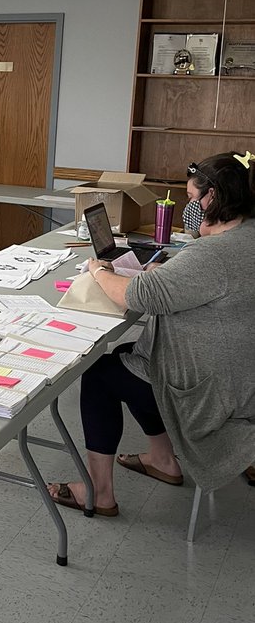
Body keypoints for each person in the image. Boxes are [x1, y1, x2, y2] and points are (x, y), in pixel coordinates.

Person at [48, 151, 255, 516]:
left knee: (99, 373)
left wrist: (98, 270)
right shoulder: (246, 237)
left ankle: (100, 492)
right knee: (130, 357)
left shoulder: (215, 254)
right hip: (238, 377)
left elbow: (140, 295)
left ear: (215, 199)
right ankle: (162, 459)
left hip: (211, 391)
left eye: (193, 200)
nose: (189, 208)